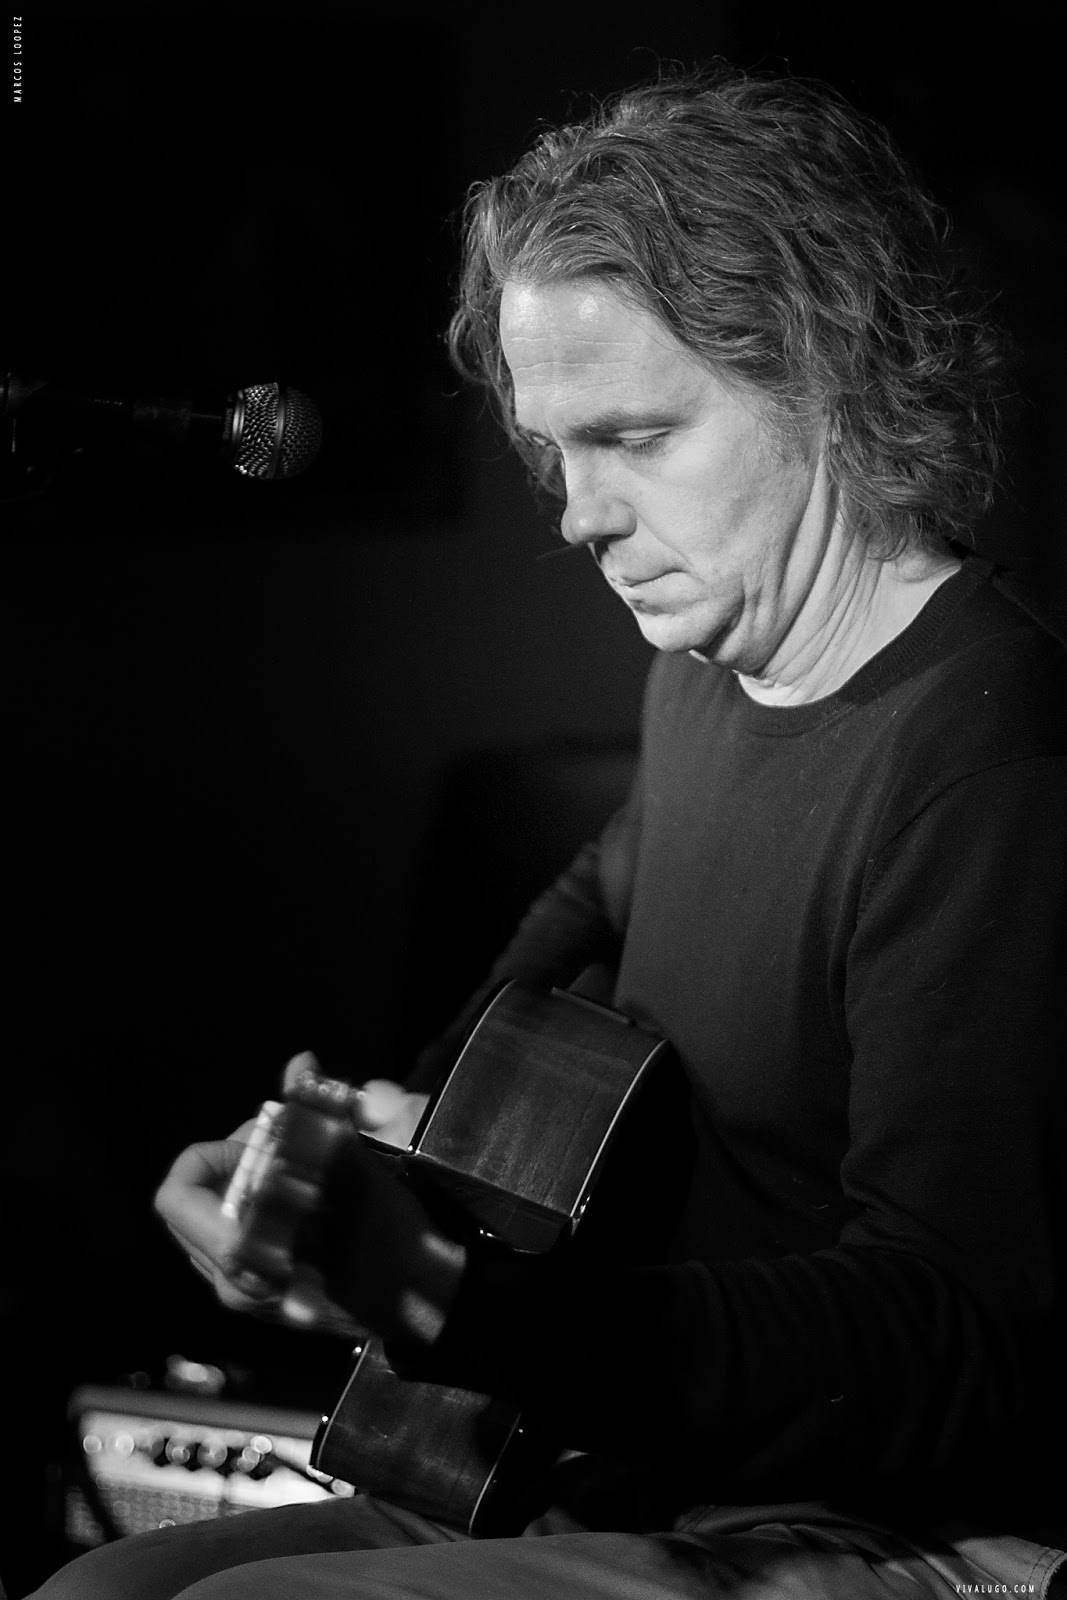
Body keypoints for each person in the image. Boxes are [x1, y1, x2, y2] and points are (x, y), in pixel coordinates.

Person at [31, 64, 1067, 1600]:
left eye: (634, 436)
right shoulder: (707, 669)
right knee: (96, 1591)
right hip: (602, 1442)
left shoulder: (990, 757)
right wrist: (406, 1131)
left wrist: (448, 1290)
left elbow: (952, 1331)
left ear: (830, 378)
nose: (578, 514)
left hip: (864, 1519)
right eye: (556, 449)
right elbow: (609, 884)